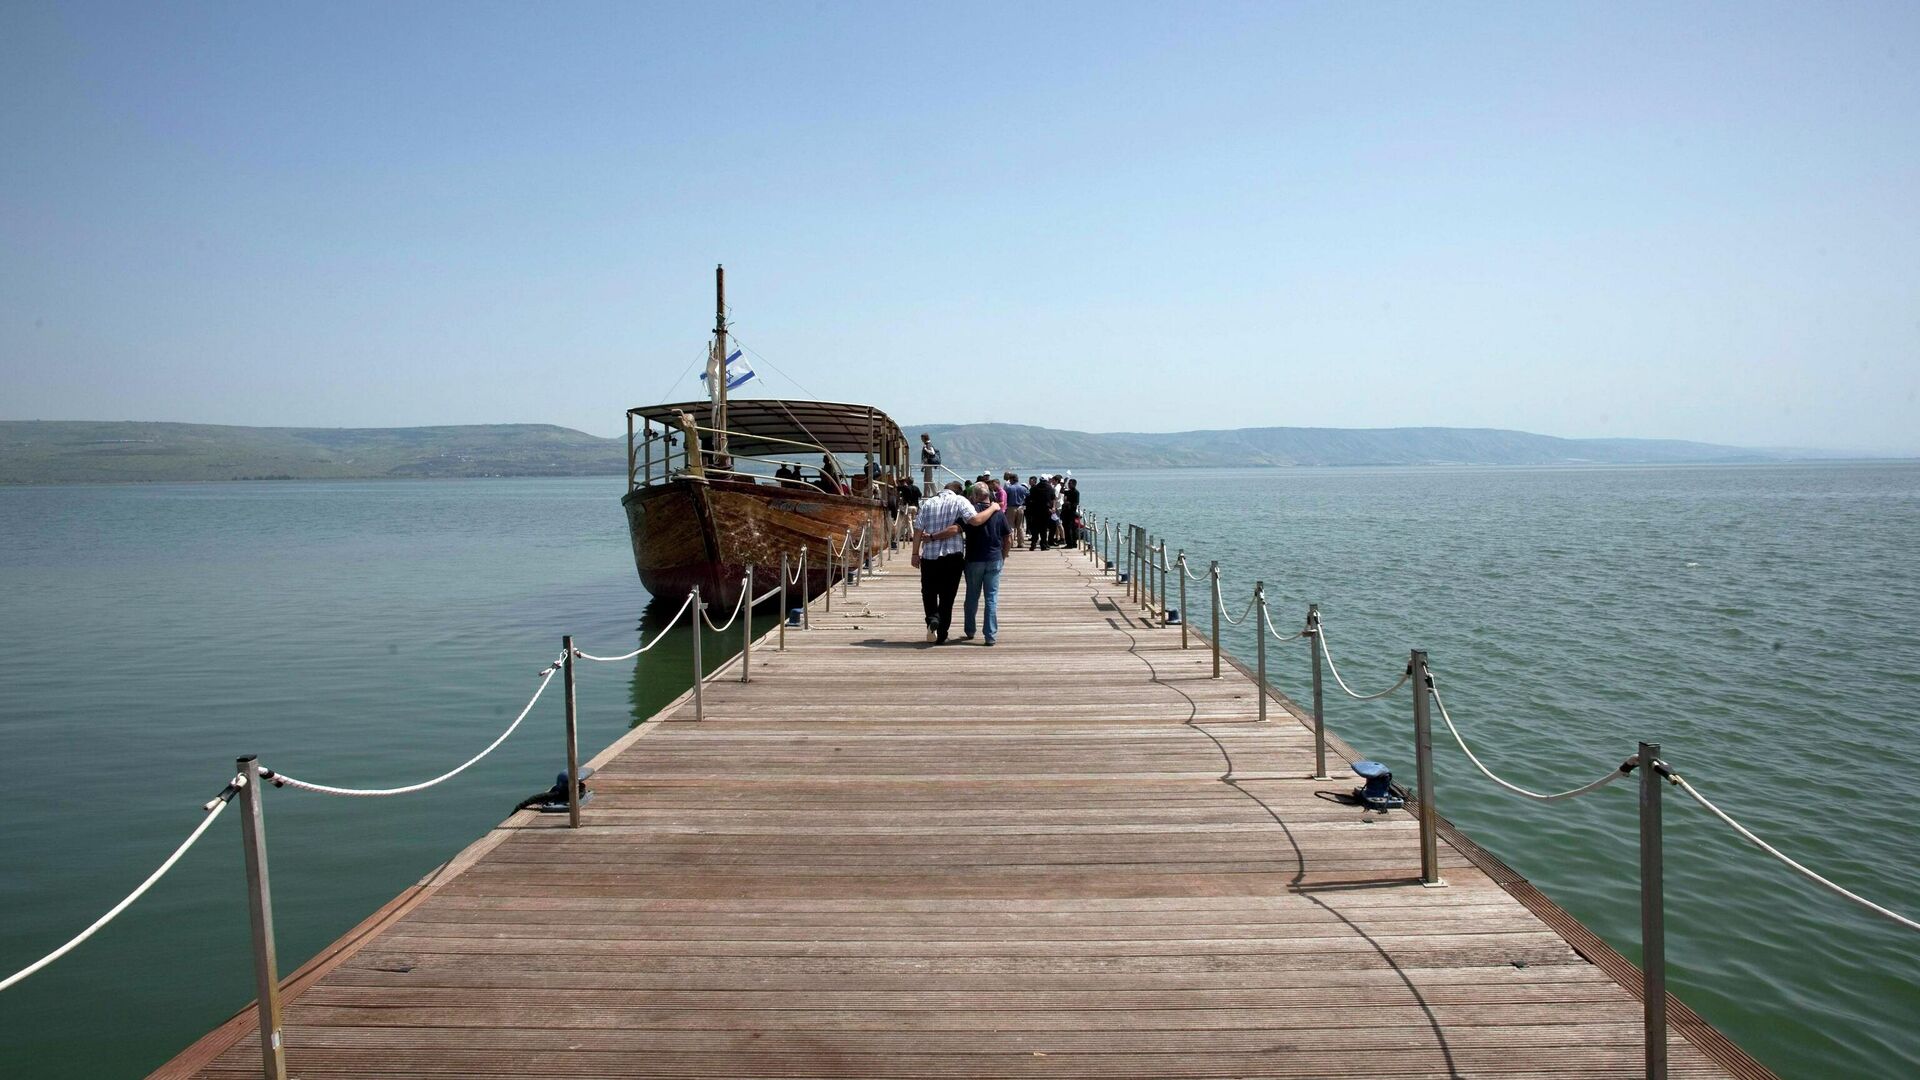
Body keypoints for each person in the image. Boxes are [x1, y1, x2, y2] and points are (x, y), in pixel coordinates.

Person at [912, 480, 974, 644]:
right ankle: (942, 633)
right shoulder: (960, 501)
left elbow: (918, 529)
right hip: (952, 556)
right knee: (948, 596)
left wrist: (914, 553)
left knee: (928, 592)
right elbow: (973, 519)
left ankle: (932, 617)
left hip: (929, 556)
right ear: (959, 491)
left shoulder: (928, 503)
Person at [958, 482, 1010, 645]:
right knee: (991, 598)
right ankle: (990, 635)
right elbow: (1007, 537)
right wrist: (1003, 556)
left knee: (972, 596)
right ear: (989, 494)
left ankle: (970, 629)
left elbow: (958, 530)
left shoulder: (970, 512)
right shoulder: (999, 513)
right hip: (994, 558)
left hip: (974, 559)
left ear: (974, 495)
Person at [1026, 473, 1055, 550]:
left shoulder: (1034, 488)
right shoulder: (1050, 488)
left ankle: (1033, 544)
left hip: (1036, 511)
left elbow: (1029, 499)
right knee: (1044, 529)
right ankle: (1043, 545)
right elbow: (1053, 499)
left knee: (1035, 528)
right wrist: (1052, 508)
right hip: (1046, 510)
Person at [1003, 472, 1028, 549]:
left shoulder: (1009, 488)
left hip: (1011, 507)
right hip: (1020, 507)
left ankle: (1011, 543)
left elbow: (1005, 498)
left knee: (1011, 526)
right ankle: (1021, 543)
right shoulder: (1023, 488)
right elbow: (1028, 495)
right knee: (1020, 526)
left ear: (1012, 479)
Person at [1060, 477, 1081, 548]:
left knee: (1072, 528)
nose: (1069, 485)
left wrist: (1069, 504)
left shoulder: (1076, 492)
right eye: (1068, 483)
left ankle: (1072, 543)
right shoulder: (1068, 491)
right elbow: (1062, 491)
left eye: (1070, 484)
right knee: (1067, 528)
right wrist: (1063, 484)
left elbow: (1076, 503)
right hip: (1066, 512)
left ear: (1074, 484)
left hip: (1071, 512)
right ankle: (1070, 542)